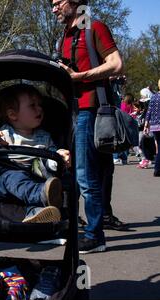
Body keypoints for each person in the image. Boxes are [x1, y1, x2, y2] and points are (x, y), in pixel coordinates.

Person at [52, 0, 126, 253]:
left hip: (89, 111)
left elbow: (116, 64)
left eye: (57, 3)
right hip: (71, 111)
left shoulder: (95, 28)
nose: (53, 9)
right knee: (70, 172)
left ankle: (95, 236)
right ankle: (74, 227)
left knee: (85, 176)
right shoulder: (66, 36)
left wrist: (79, 77)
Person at [0, 84, 71, 223]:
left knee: (51, 166)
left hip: (34, 182)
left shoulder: (44, 137)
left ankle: (37, 214)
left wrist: (60, 156)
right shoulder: (3, 135)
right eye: (33, 105)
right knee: (13, 176)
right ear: (13, 114)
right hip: (2, 188)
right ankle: (42, 196)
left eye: (40, 105)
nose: (39, 108)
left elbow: (51, 160)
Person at [144, 79, 160, 177]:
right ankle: (157, 169)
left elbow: (148, 112)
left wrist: (146, 125)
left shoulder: (154, 97)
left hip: (154, 126)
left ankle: (157, 168)